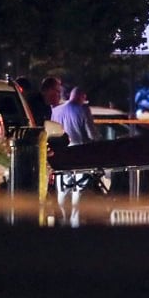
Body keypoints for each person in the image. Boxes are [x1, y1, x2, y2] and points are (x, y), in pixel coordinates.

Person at [51, 86, 98, 226]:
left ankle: (62, 220)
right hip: (80, 152)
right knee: (80, 188)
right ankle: (75, 221)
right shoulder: (83, 110)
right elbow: (91, 134)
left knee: (63, 188)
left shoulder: (56, 110)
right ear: (81, 97)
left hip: (62, 153)